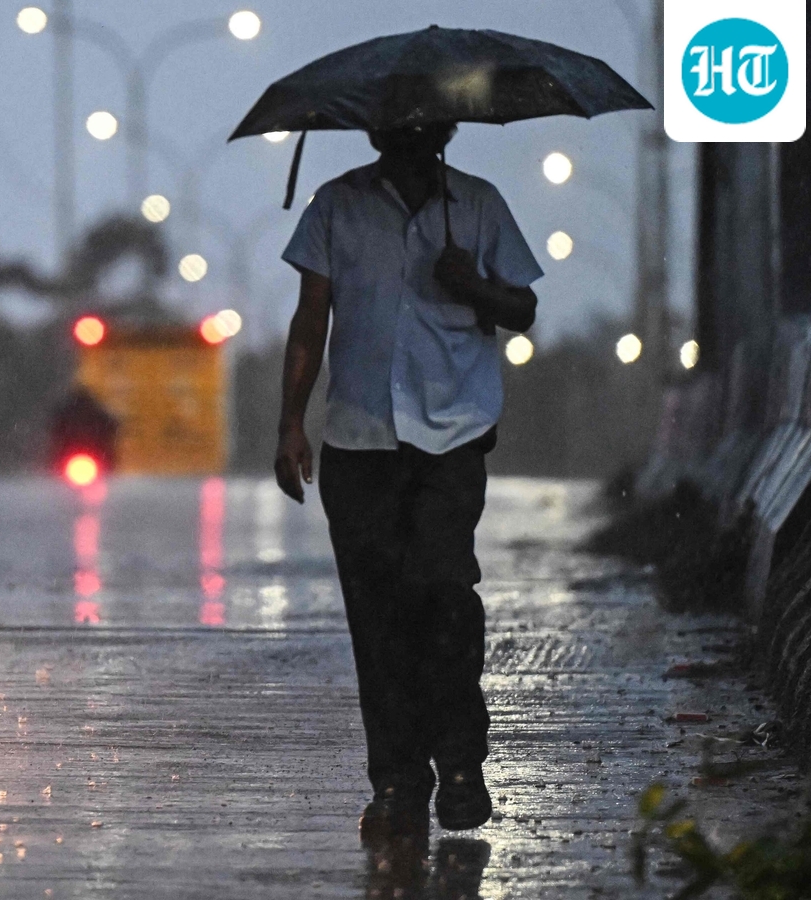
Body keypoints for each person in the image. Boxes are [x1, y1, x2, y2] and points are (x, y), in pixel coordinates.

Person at [273, 122, 542, 841]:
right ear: (373, 128)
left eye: (427, 119)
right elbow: (310, 320)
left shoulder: (479, 206)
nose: (412, 132)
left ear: (448, 129)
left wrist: (473, 285)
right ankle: (396, 782)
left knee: (445, 597)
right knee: (378, 616)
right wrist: (289, 424)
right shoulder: (336, 205)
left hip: (452, 436)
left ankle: (460, 765)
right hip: (358, 439)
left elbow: (524, 310)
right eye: (397, 119)